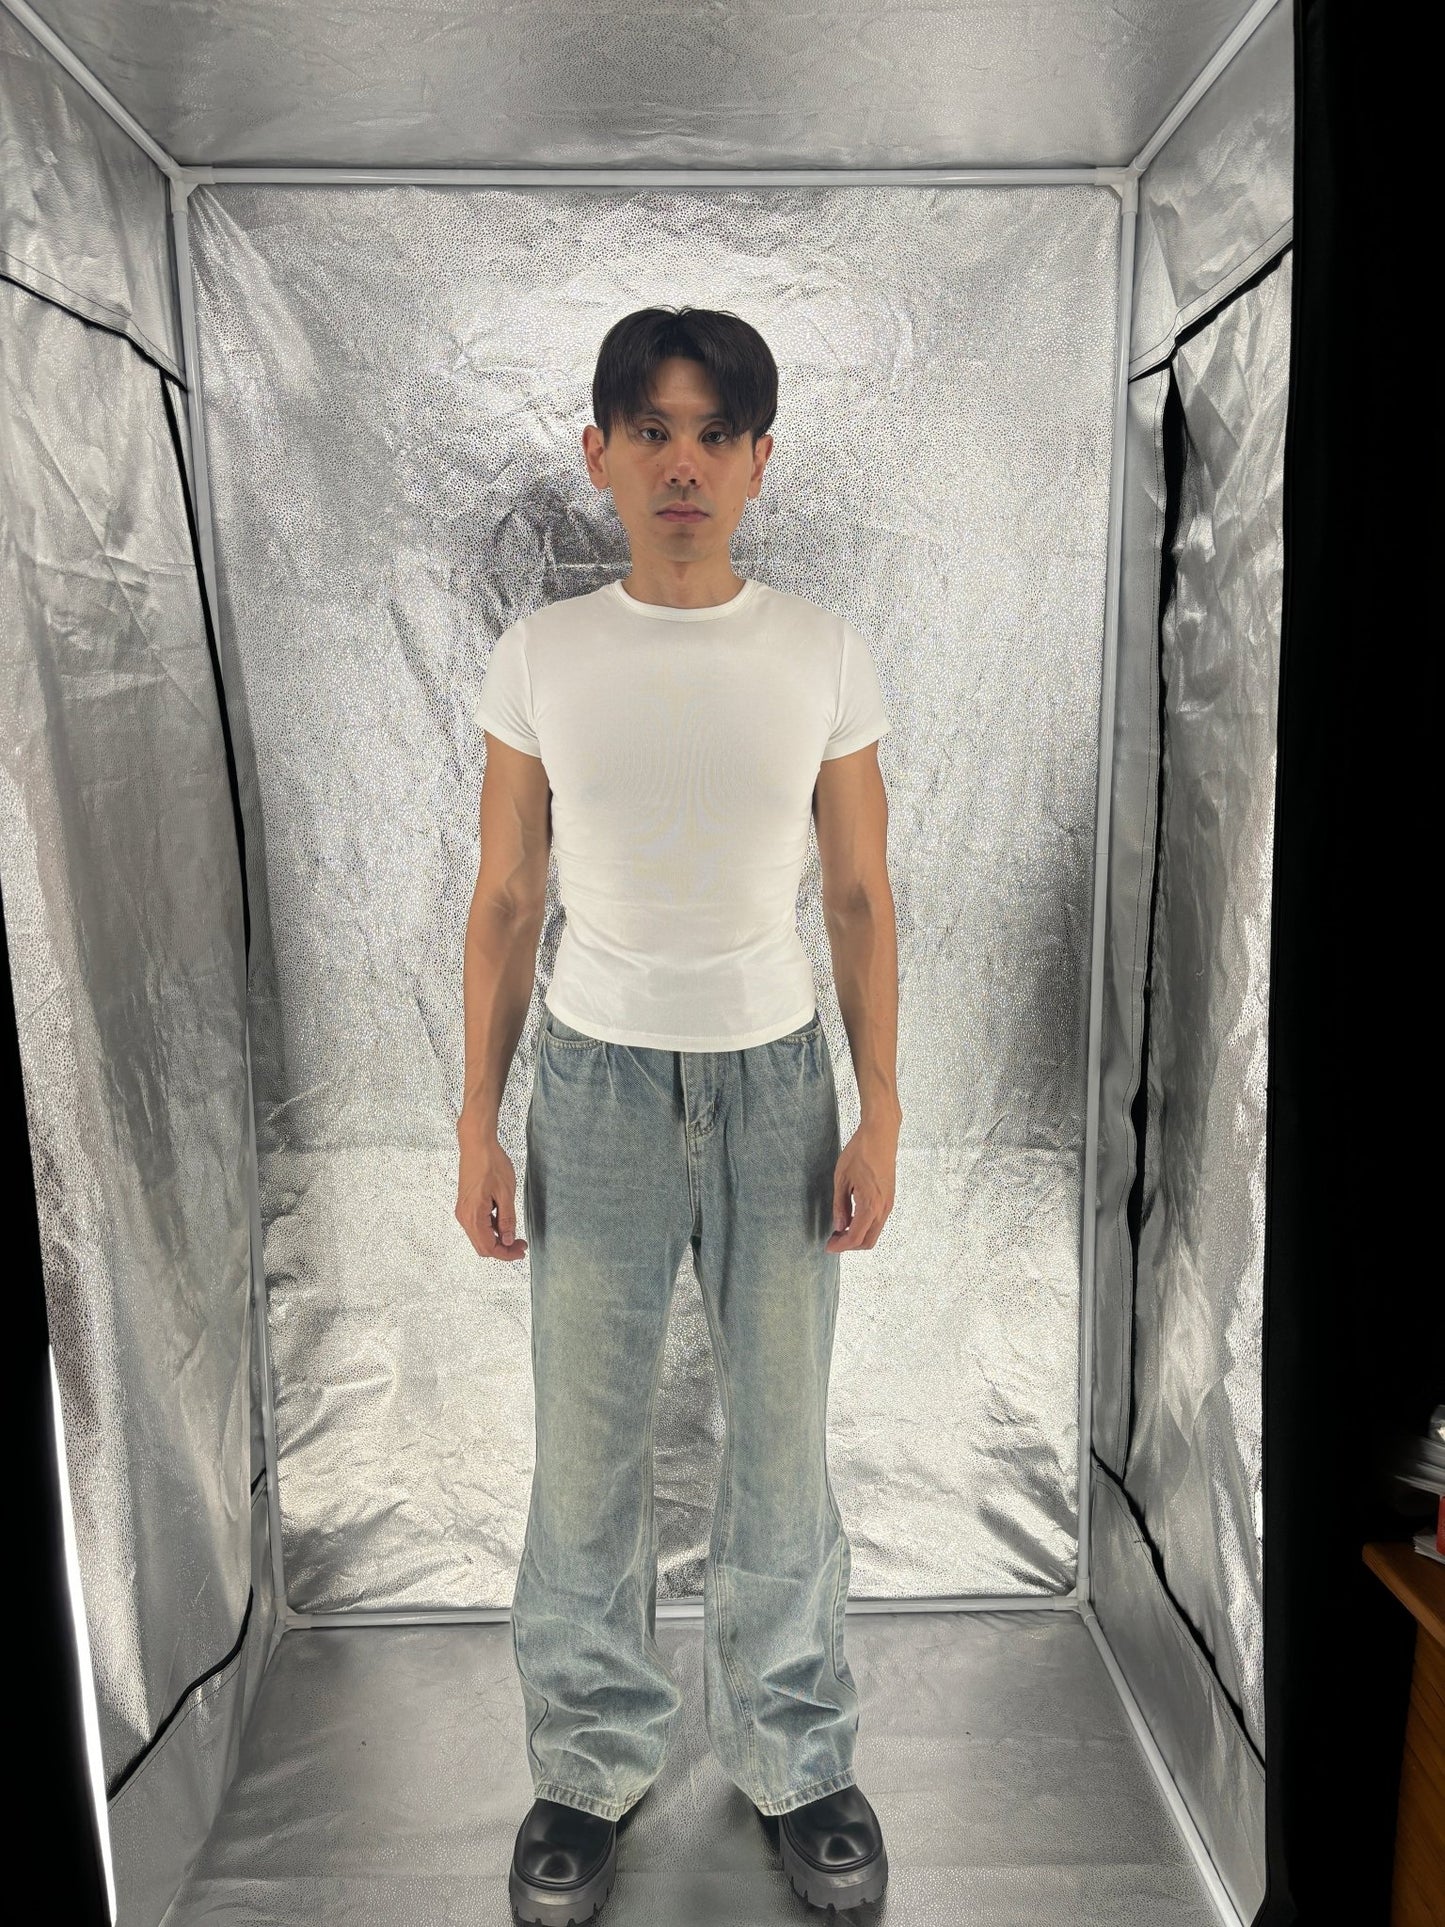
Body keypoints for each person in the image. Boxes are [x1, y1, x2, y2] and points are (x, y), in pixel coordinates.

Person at [455, 306, 900, 1923]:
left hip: (778, 1080)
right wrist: (475, 1124)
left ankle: (798, 1755)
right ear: (600, 454)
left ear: (760, 461)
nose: (683, 463)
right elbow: (508, 898)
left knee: (778, 1446)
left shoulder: (820, 649)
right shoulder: (542, 656)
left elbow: (856, 893)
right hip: (597, 1084)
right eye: (650, 430)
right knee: (588, 1452)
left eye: (715, 433)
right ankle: (587, 1763)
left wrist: (880, 1112)